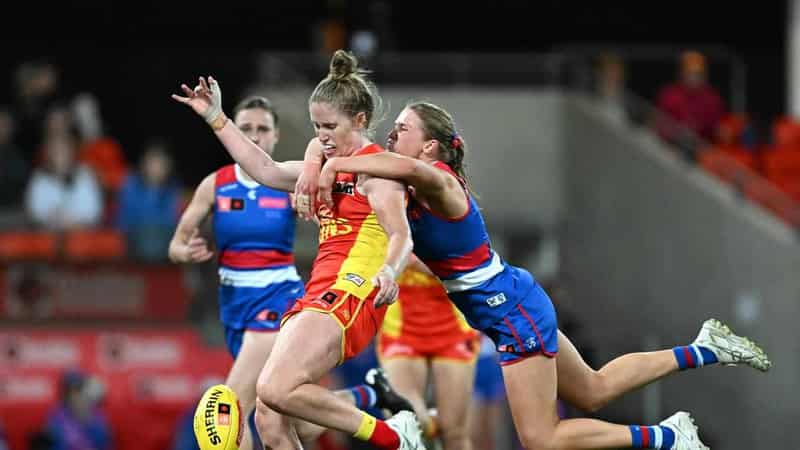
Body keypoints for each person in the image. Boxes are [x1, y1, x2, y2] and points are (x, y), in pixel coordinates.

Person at [301, 100, 773, 450]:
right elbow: (417, 239)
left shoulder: (439, 178)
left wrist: (336, 162)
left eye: (401, 128)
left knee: (541, 439)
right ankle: (706, 347)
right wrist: (312, 160)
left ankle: (665, 437)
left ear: (428, 146)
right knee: (594, 388)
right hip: (516, 300)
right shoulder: (406, 186)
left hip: (510, 312)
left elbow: (392, 165)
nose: (391, 135)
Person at [171, 50, 423, 450]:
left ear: (359, 121)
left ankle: (394, 435)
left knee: (271, 387)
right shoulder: (323, 164)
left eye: (329, 126)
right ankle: (376, 408)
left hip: (351, 292)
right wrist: (215, 118)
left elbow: (402, 235)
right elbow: (265, 169)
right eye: (315, 126)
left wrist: (390, 271)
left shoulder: (377, 171)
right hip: (316, 294)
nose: (321, 135)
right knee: (269, 419)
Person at [375, 259, 479, 449]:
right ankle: (430, 422)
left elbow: (465, 260)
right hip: (401, 332)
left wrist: (407, 256)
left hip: (453, 330)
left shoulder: (452, 227)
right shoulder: (384, 228)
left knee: (454, 433)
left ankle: (441, 423)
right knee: (404, 420)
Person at [44, 369, 112, 450]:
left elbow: (105, 443)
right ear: (65, 394)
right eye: (71, 391)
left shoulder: (96, 415)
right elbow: (53, 443)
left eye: (79, 390)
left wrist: (88, 420)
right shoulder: (56, 417)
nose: (76, 396)